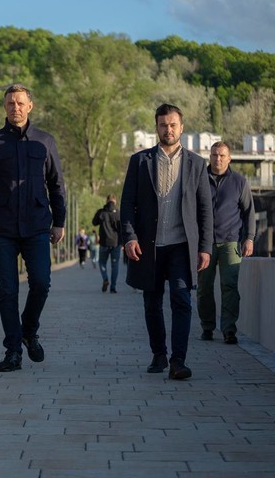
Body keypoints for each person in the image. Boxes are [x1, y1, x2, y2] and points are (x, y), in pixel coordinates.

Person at [0, 83, 67, 373]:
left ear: (30, 106)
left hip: (37, 225)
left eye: (20, 103)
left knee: (41, 282)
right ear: (5, 107)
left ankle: (29, 329)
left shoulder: (45, 141)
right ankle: (13, 350)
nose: (15, 108)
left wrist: (60, 221)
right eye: (11, 103)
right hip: (2, 227)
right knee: (8, 291)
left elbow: (57, 184)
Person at [121, 103, 213, 380]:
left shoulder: (197, 164)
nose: (168, 129)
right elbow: (127, 204)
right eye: (163, 125)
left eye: (173, 125)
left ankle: (178, 361)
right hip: (149, 245)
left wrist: (205, 247)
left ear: (181, 127)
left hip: (181, 246)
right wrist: (129, 237)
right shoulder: (140, 161)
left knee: (181, 300)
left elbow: (205, 209)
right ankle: (159, 354)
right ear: (157, 128)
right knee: (152, 303)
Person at [197, 141, 256, 345]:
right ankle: (207, 327)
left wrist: (249, 238)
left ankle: (229, 330)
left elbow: (249, 212)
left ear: (229, 158)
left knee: (229, 287)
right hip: (204, 243)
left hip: (230, 242)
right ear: (210, 157)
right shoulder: (199, 179)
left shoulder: (239, 182)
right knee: (204, 288)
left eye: (222, 155)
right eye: (214, 155)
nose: (218, 159)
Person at [92, 194, 121, 293]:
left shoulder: (101, 212)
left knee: (102, 262)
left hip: (104, 243)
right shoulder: (118, 213)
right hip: (116, 243)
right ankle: (113, 287)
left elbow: (94, 222)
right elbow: (122, 228)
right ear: (115, 201)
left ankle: (105, 279)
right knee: (115, 265)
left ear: (107, 201)